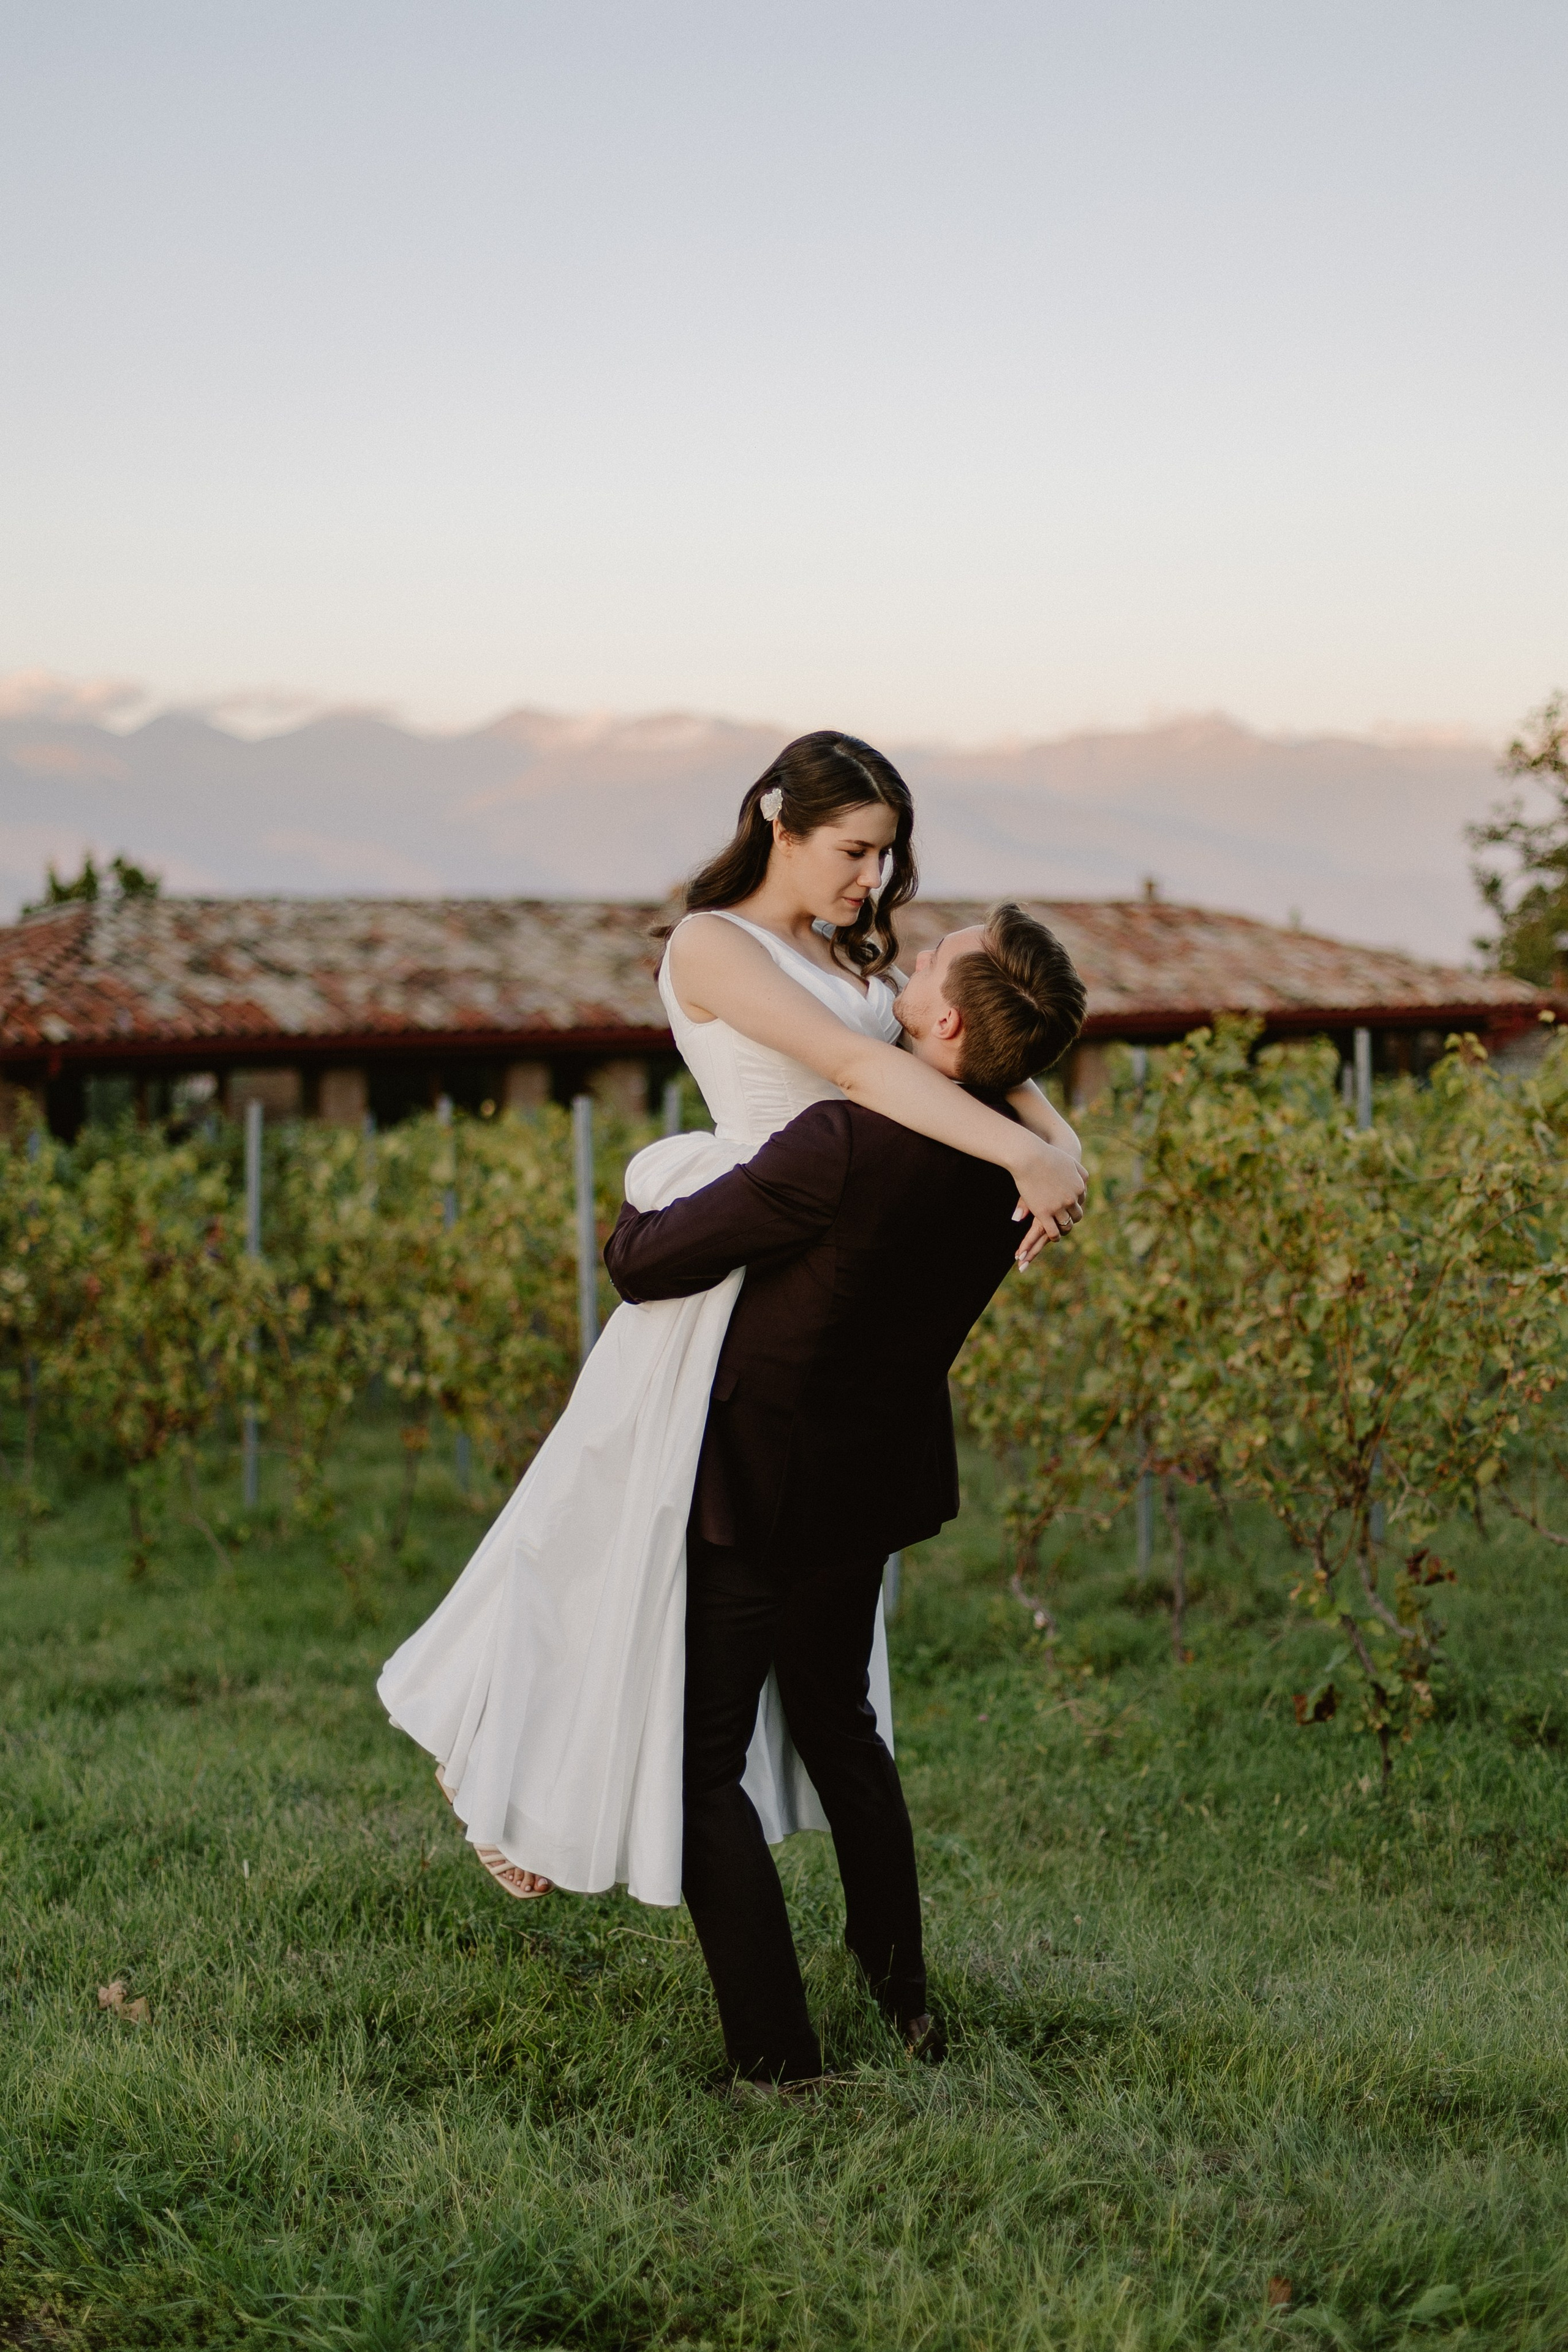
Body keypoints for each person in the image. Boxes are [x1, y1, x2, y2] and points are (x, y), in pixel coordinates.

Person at [378, 732, 1086, 1905]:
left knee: (674, 1599)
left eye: (888, 854)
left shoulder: (866, 967)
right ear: (778, 820)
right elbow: (863, 1079)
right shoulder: (714, 946)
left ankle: (603, 1807)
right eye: (856, 850)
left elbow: (978, 1059)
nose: (874, 878)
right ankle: (522, 1786)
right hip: (726, 1274)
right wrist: (1027, 1151)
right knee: (597, 1560)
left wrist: (1057, 1147)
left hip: (815, 1301)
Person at [605, 903, 1087, 2084]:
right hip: (873, 1483)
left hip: (763, 1483)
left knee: (698, 1763)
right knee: (840, 1726)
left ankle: (776, 2057)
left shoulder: (841, 1142)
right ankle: (905, 2003)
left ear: (945, 1018)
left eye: (931, 962)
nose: (907, 959)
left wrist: (657, 1178)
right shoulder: (1010, 1174)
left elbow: (644, 1264)